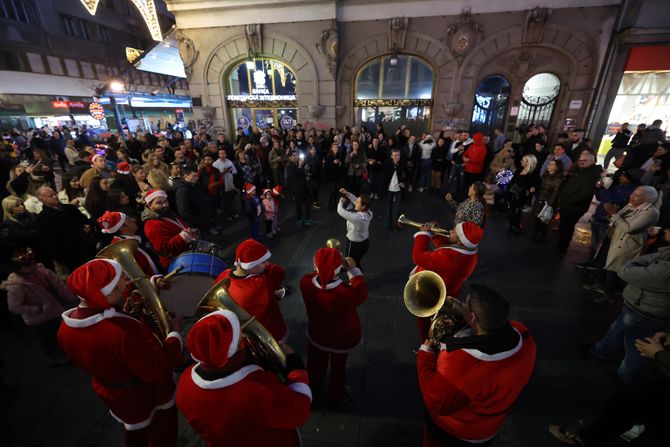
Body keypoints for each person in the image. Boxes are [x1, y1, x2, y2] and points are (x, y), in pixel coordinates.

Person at [58, 259, 183, 447]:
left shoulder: (64, 329)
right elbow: (156, 370)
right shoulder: (121, 332)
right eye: (122, 281)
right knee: (162, 434)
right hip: (145, 396)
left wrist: (149, 287)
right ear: (109, 292)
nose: (127, 282)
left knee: (137, 434)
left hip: (114, 393)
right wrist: (174, 335)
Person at [417, 284, 536, 447]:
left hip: (453, 432)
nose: (462, 304)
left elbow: (436, 401)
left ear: (473, 317)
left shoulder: (461, 363)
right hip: (486, 429)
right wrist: (463, 325)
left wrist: (426, 355)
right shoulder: (524, 336)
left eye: (465, 304)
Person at [176, 310, 311, 447]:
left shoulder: (184, 383)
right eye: (240, 337)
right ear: (237, 347)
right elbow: (299, 410)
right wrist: (296, 366)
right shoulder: (257, 391)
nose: (243, 336)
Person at [300, 248, 367, 403]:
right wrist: (353, 271)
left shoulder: (305, 282)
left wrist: (325, 265)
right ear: (339, 269)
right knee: (339, 368)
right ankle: (337, 394)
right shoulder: (345, 293)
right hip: (340, 339)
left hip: (317, 334)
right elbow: (361, 295)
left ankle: (313, 392)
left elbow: (315, 276)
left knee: (315, 365)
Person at [3, 247, 76, 365]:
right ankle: (56, 359)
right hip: (39, 319)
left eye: (33, 262)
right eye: (28, 265)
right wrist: (37, 309)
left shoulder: (40, 270)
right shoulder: (16, 284)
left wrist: (70, 295)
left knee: (62, 332)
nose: (33, 266)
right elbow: (14, 306)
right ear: (18, 268)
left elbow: (58, 284)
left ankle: (68, 352)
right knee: (48, 340)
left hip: (55, 309)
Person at [411, 221, 484, 340]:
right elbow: (445, 248)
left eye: (454, 231)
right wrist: (436, 233)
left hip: (433, 291)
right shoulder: (470, 251)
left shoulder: (450, 257)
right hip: (451, 289)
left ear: (460, 241)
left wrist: (423, 235)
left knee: (423, 319)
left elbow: (418, 257)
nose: (450, 231)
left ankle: (425, 342)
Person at [214, 239, 288, 342]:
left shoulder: (224, 275)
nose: (267, 264)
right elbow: (279, 272)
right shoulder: (260, 284)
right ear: (250, 265)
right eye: (263, 262)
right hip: (267, 331)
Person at [36, 186, 96, 274]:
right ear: (42, 200)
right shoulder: (43, 219)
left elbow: (85, 220)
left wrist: (88, 226)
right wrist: (64, 260)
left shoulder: (69, 208)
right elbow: (51, 244)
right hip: (72, 257)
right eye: (51, 196)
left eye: (55, 194)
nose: (55, 196)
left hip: (88, 248)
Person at [556, 152, 603, 253]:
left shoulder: (593, 174)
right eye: (580, 160)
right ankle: (561, 244)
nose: (581, 162)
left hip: (574, 206)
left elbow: (585, 193)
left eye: (584, 160)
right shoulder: (580, 170)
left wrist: (568, 200)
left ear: (592, 161)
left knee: (567, 226)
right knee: (564, 225)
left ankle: (562, 247)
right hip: (568, 204)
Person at [141, 189, 197, 270]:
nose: (164, 205)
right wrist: (184, 236)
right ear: (149, 205)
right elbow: (164, 249)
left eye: (165, 201)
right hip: (176, 263)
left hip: (185, 255)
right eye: (159, 203)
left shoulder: (166, 214)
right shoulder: (152, 224)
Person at [337, 188, 372, 270]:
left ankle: (355, 279)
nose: (355, 203)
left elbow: (340, 211)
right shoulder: (369, 212)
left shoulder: (357, 218)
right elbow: (357, 200)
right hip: (365, 244)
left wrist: (340, 202)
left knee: (351, 264)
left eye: (357, 203)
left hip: (354, 245)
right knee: (356, 261)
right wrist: (347, 193)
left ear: (363, 206)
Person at [531, 159, 565, 243]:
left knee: (544, 221)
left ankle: (542, 237)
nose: (549, 165)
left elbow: (555, 193)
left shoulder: (559, 178)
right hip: (540, 199)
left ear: (557, 167)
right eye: (549, 164)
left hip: (548, 202)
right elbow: (540, 187)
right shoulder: (545, 175)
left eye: (552, 164)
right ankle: (535, 234)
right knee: (536, 218)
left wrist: (549, 205)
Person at [506, 154, 539, 234]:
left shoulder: (533, 173)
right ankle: (511, 225)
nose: (521, 161)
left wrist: (531, 190)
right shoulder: (519, 170)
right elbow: (512, 181)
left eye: (523, 160)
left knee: (517, 211)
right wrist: (509, 189)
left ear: (528, 162)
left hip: (522, 195)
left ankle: (517, 227)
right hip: (513, 192)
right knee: (510, 210)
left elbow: (536, 184)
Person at [285, 151, 312, 227]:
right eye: (294, 155)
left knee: (308, 205)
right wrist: (300, 166)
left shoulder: (301, 164)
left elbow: (305, 174)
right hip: (297, 190)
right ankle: (299, 220)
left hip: (305, 188)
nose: (296, 157)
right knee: (298, 206)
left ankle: (308, 219)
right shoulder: (289, 166)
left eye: (297, 155)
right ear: (290, 157)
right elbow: (295, 176)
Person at [384, 148, 408, 230]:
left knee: (398, 209)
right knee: (389, 208)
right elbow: (384, 177)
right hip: (389, 190)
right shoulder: (387, 164)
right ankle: (388, 225)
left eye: (398, 155)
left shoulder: (403, 164)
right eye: (395, 155)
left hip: (398, 190)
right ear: (391, 156)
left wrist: (403, 182)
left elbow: (407, 175)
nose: (397, 157)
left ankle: (398, 225)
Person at [213, 149, 238, 221]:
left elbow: (235, 171)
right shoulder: (215, 164)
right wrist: (223, 172)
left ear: (226, 154)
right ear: (218, 155)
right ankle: (227, 215)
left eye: (224, 153)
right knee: (225, 200)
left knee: (231, 199)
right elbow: (214, 176)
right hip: (222, 184)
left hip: (230, 182)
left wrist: (230, 171)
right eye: (220, 153)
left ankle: (232, 212)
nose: (222, 155)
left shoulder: (229, 161)